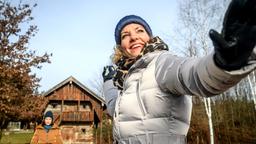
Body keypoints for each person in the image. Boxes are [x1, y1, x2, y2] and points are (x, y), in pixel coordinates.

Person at [102, 0, 256, 143]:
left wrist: (223, 63)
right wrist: (109, 82)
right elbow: (114, 108)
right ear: (121, 46)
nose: (133, 37)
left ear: (149, 37)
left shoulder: (161, 63)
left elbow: (194, 73)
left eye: (139, 30)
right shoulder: (125, 79)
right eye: (125, 35)